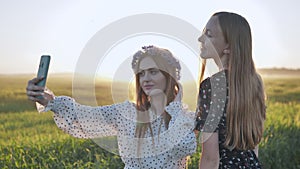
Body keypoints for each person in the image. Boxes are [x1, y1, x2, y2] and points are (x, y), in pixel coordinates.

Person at [26, 45, 196, 169]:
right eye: (141, 73)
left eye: (153, 71)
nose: (145, 79)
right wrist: (50, 101)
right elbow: (85, 116)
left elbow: (184, 146)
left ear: (169, 76)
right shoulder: (127, 112)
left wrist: (174, 106)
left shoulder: (184, 118)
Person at [194, 12, 266, 168]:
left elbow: (210, 159)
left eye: (209, 35)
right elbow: (254, 145)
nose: (201, 39)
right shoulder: (256, 82)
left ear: (228, 46)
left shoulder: (211, 86)